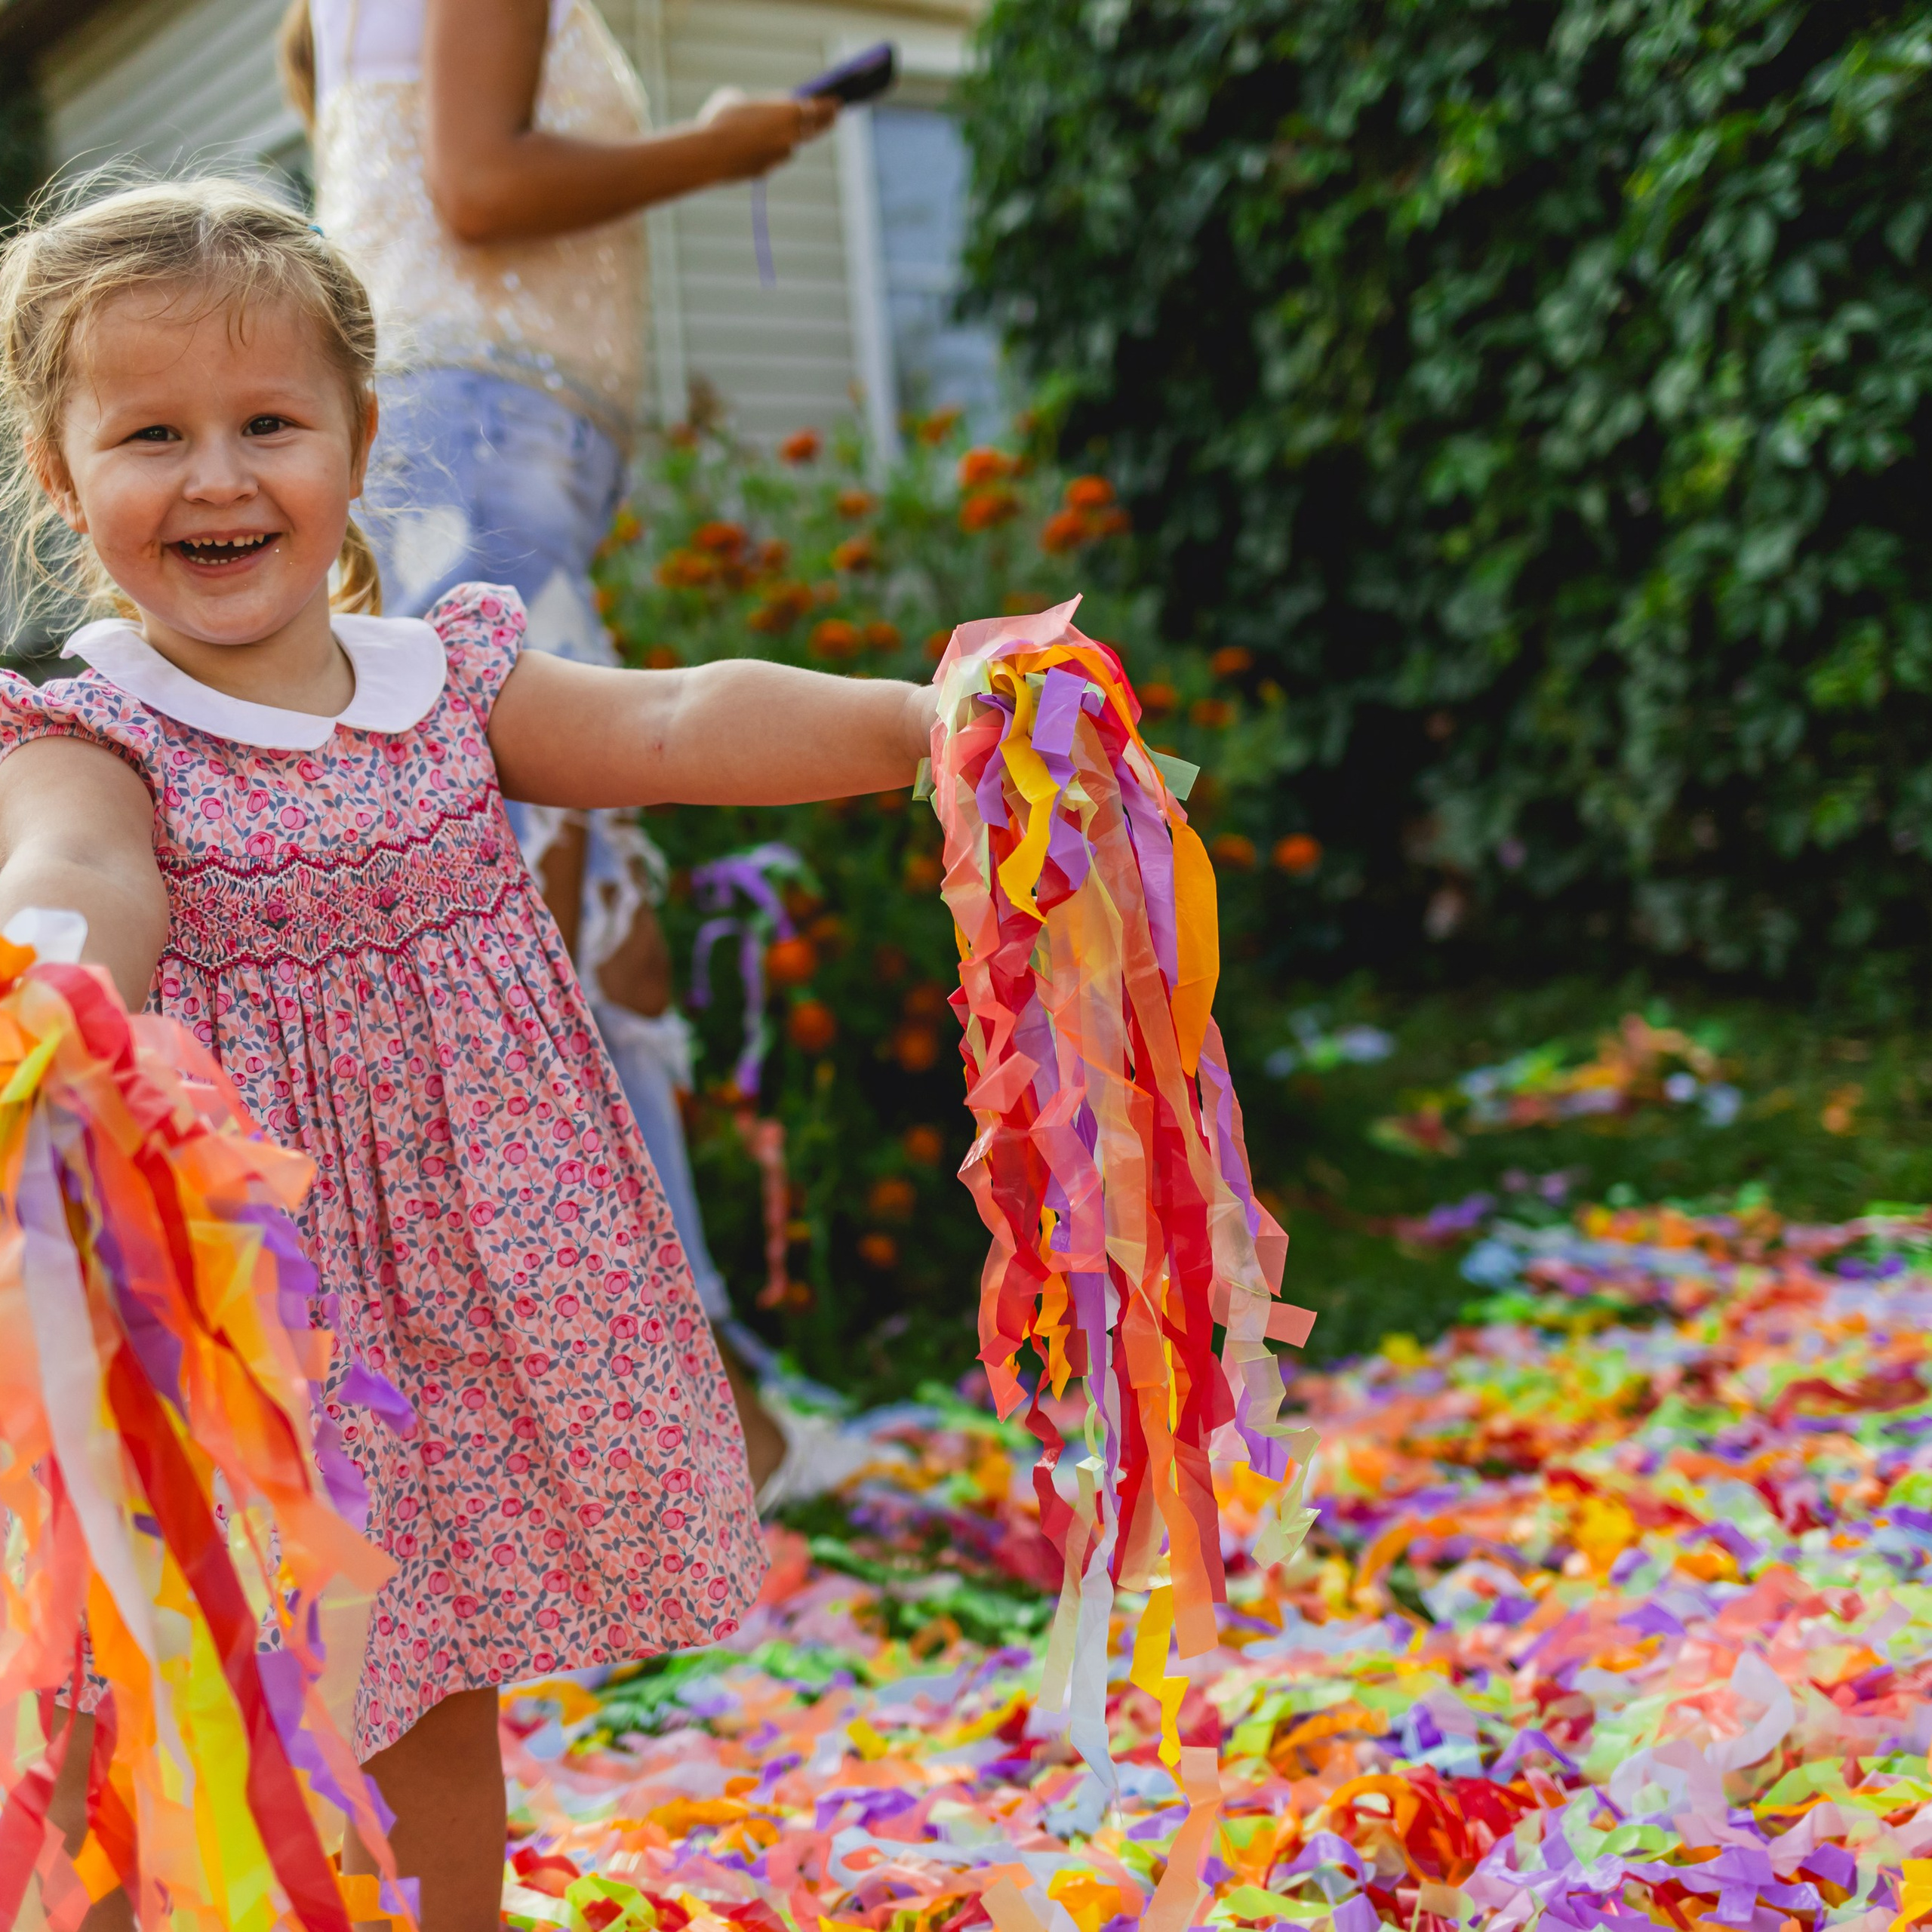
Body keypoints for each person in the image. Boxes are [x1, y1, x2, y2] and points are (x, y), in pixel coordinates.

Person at [0, 178, 934, 1928]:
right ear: (63, 477)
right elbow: (74, 876)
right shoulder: (84, 725)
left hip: (460, 1300)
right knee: (145, 1673)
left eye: (268, 422)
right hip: (238, 1313)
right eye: (150, 433)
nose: (216, 474)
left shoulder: (446, 678)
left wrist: (921, 723)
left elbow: (666, 716)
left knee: (434, 1666)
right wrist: (46, 991)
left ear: (358, 444)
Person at [280, 0, 843, 1497]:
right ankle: (682, 1410)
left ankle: (645, 1398)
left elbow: (363, 131)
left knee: (553, 920)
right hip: (474, 441)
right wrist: (710, 150)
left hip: (474, 440)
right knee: (573, 930)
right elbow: (476, 187)